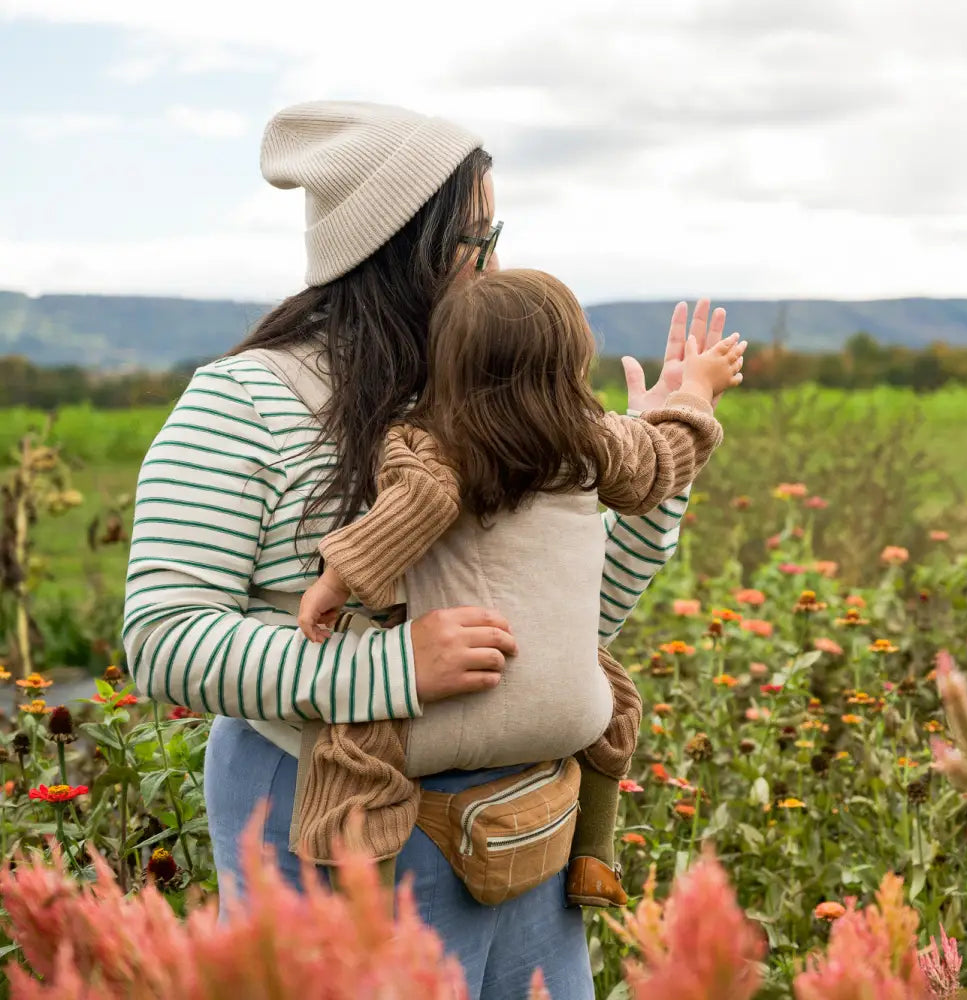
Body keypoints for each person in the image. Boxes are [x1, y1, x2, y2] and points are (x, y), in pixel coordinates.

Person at [122, 99, 734, 1000]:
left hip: (525, 827)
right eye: (478, 238)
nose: (496, 263)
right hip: (336, 828)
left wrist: (659, 469)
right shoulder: (243, 402)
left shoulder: (497, 385)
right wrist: (393, 669)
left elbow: (573, 620)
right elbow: (164, 638)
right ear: (402, 248)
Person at [294, 268, 742, 910]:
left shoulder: (426, 443)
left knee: (353, 756)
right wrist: (696, 390)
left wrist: (337, 578)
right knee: (615, 695)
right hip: (573, 714)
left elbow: (412, 507)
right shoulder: (594, 440)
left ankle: (363, 910)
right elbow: (664, 457)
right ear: (572, 363)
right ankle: (594, 855)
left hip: (450, 713)